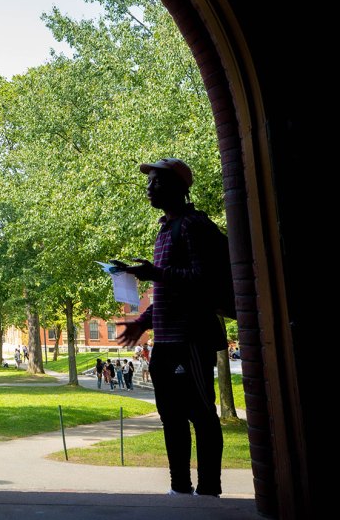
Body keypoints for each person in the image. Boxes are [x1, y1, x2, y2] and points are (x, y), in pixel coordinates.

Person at [115, 157, 227, 498]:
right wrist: (141, 322)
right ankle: (180, 488)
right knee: (171, 417)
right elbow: (167, 292)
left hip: (191, 339)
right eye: (149, 182)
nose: (149, 188)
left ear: (179, 188)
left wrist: (156, 274)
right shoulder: (166, 228)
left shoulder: (193, 226)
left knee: (202, 416)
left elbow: (203, 280)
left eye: (156, 182)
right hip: (164, 341)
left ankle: (208, 491)